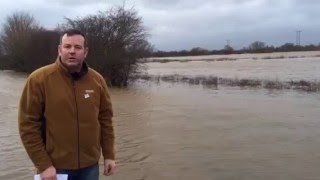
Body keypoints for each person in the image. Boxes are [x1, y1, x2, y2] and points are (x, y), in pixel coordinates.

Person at [18, 29, 116, 180]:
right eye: (67, 46)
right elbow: (27, 126)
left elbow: (105, 120)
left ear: (85, 52)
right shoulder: (38, 79)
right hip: (54, 168)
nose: (72, 51)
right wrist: (43, 165)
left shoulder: (97, 80)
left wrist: (109, 155)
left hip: (90, 167)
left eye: (77, 47)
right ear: (59, 50)